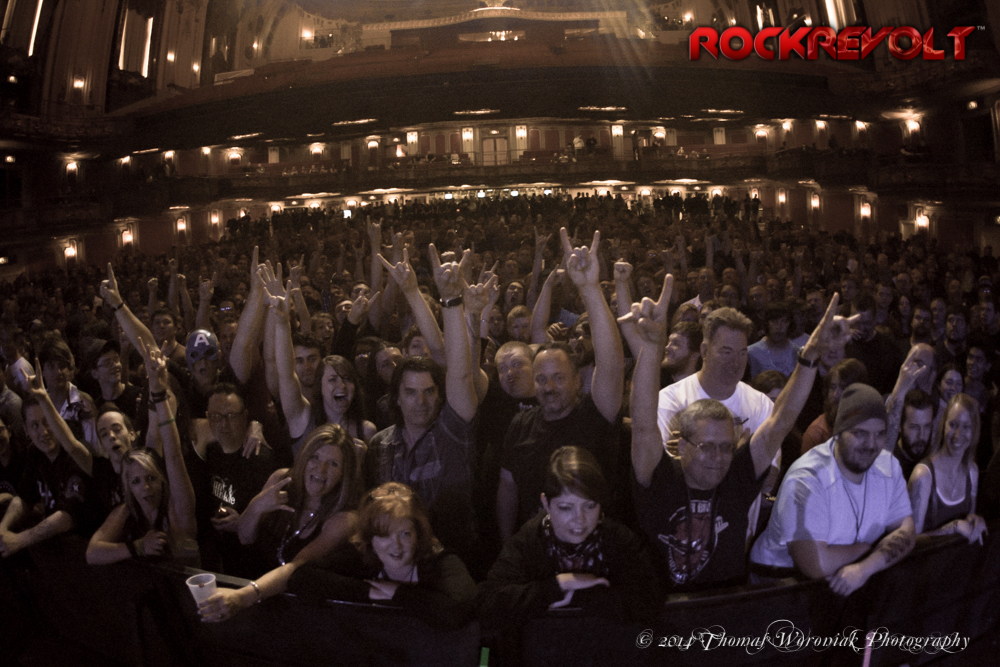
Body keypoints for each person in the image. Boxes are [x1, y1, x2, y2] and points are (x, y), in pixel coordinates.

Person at [629, 278, 845, 590]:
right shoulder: (660, 480)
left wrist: (810, 354)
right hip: (667, 608)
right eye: (707, 446)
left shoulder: (736, 480)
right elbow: (643, 427)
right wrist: (651, 347)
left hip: (727, 603)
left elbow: (781, 420)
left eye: (726, 447)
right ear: (683, 446)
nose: (718, 458)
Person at [498, 229, 624, 541]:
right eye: (541, 379)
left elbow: (611, 363)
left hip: (593, 544)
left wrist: (590, 288)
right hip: (536, 546)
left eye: (559, 378)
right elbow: (508, 488)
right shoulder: (520, 425)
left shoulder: (595, 414)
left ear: (578, 380)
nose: (549, 386)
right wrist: (508, 542)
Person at [750, 383, 916, 596]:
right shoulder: (806, 478)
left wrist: (866, 567)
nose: (871, 444)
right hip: (778, 584)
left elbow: (906, 531)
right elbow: (816, 565)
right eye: (860, 433)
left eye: (879, 434)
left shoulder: (888, 465)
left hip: (847, 578)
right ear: (837, 433)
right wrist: (870, 548)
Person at [196, 424, 361, 621]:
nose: (321, 469)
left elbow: (296, 568)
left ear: (344, 474)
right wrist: (257, 506)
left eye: (333, 464)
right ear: (304, 457)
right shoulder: (281, 479)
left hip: (298, 613)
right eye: (315, 457)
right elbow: (245, 536)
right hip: (251, 601)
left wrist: (243, 597)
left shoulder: (345, 519)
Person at [480, 446, 659, 627]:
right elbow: (488, 603)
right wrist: (559, 584)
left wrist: (586, 592)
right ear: (546, 503)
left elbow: (651, 600)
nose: (579, 519)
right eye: (566, 508)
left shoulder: (617, 538)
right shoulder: (530, 539)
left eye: (590, 506)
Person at [286, 482, 477, 630]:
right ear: (370, 538)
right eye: (385, 535)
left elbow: (459, 611)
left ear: (418, 535)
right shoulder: (363, 556)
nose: (396, 545)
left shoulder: (443, 562)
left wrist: (396, 592)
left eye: (405, 534)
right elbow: (301, 577)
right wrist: (367, 591)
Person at [86, 339, 198, 565]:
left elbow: (173, 453)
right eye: (136, 481)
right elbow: (92, 553)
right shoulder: (127, 510)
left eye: (151, 478)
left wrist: (159, 394)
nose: (145, 487)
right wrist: (138, 546)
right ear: (128, 486)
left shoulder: (177, 507)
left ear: (162, 478)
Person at [907, 394, 988, 543]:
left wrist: (975, 521)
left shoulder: (972, 471)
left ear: (974, 430)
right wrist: (952, 528)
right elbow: (908, 542)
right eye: (953, 425)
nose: (958, 435)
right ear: (943, 424)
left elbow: (968, 530)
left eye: (966, 427)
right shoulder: (923, 475)